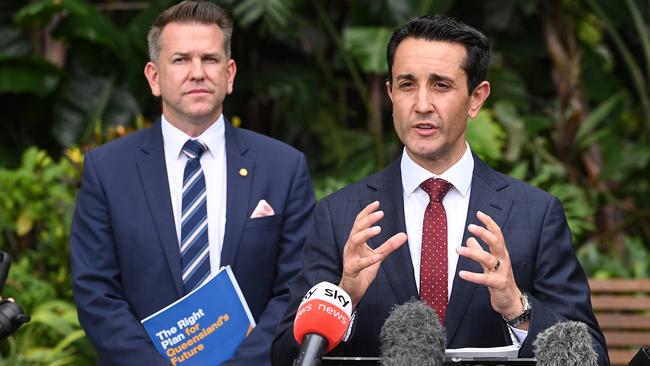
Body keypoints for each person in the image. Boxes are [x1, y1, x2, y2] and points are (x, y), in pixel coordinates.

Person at [272, 15, 608, 365]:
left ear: (476, 98)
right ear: (390, 94)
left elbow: (593, 356)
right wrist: (345, 298)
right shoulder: (339, 215)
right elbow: (283, 356)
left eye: (441, 85)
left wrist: (516, 307)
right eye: (406, 85)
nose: (421, 104)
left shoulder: (535, 213)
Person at [70, 1, 315, 365]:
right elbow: (96, 292)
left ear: (229, 74)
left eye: (210, 59)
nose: (197, 73)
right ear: (154, 77)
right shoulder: (107, 170)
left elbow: (296, 288)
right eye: (181, 59)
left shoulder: (283, 167)